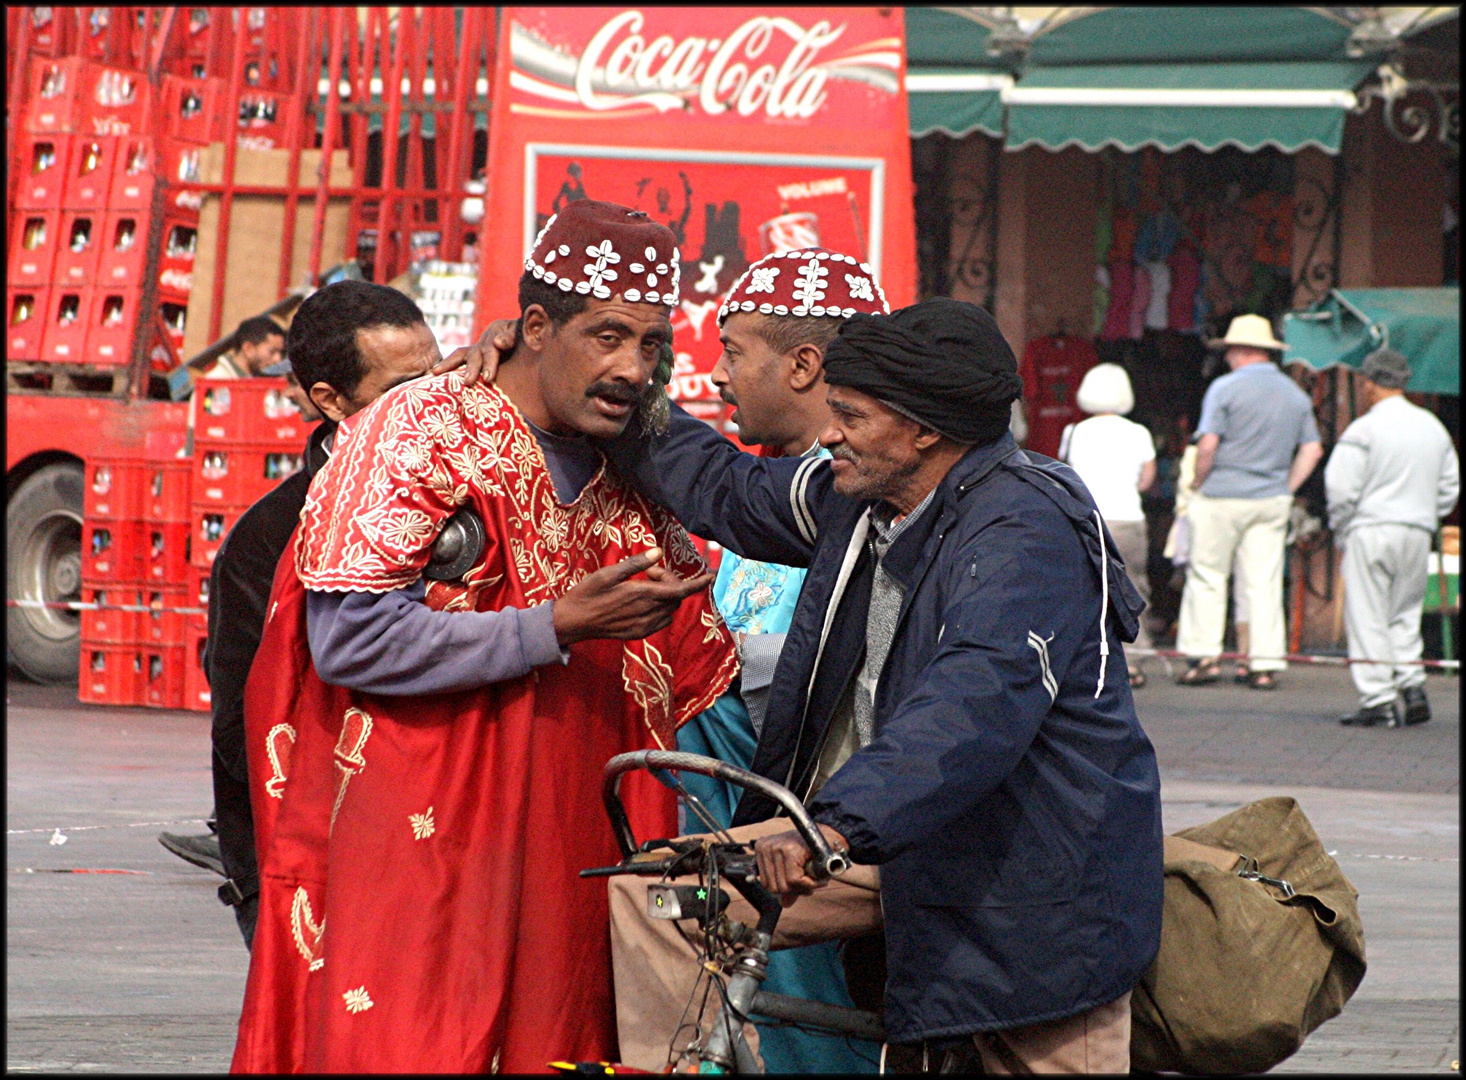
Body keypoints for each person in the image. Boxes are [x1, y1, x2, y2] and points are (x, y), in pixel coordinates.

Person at [231, 201, 737, 1073]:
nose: (631, 367)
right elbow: (350, 642)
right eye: (609, 336)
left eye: (652, 345)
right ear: (534, 327)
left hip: (572, 866)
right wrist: (557, 625)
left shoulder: (636, 463)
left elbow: (701, 669)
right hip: (422, 862)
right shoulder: (416, 430)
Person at [601, 297, 1162, 1073]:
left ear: (923, 429)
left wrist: (831, 826)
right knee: (660, 894)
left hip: (1031, 880)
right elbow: (725, 487)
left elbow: (973, 704)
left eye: (852, 417)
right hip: (895, 842)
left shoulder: (1023, 528)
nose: (828, 434)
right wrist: (617, 394)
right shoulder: (857, 500)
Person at [160, 287, 507, 944]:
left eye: (437, 374)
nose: (432, 401)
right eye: (405, 387)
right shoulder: (268, 542)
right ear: (330, 401)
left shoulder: (473, 490)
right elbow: (244, 735)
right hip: (327, 865)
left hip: (457, 853)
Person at [1175, 314, 1324, 689]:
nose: (1226, 357)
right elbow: (1312, 448)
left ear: (1240, 351)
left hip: (1221, 495)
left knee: (1208, 576)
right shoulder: (1295, 394)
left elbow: (1207, 445)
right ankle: (1262, 664)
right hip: (1270, 498)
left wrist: (1196, 481)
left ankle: (1204, 659)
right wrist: (1286, 486)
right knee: (1264, 582)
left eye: (1228, 350)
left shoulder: (1224, 389)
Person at [1326, 348, 1459, 726]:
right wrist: (1427, 514)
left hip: (1371, 527)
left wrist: (1343, 528)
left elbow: (1340, 488)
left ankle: (1379, 699)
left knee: (1368, 614)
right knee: (1405, 613)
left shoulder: (1364, 429)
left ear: (1370, 384)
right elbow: (1450, 485)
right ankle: (1412, 684)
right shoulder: (1432, 427)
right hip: (1417, 530)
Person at [1059, 362, 1156, 687]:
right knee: (1133, 587)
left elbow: (1066, 474)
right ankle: (1133, 660)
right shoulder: (1139, 432)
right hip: (1127, 518)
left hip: (1085, 519)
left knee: (1085, 589)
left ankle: (1084, 659)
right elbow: (1146, 481)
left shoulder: (1075, 431)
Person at [204, 315, 286, 378]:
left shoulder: (270, 388)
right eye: (272, 352)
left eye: (281, 352)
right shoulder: (215, 385)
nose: (278, 359)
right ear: (248, 348)